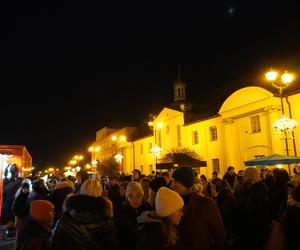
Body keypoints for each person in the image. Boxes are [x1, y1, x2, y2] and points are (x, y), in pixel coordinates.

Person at [50, 179, 116, 250]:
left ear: (81, 190)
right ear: (100, 191)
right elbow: (111, 243)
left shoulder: (67, 215)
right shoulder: (105, 218)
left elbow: (56, 241)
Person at [171, 167, 226, 250]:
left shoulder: (207, 204)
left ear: (185, 184)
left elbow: (219, 235)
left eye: (175, 181)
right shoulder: (172, 203)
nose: (172, 185)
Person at [231, 167, 271, 250]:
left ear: (250, 177)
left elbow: (255, 213)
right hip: (251, 231)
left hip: (254, 232)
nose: (243, 178)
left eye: (245, 176)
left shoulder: (258, 192)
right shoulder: (251, 190)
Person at [115, 181, 151, 249]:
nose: (135, 199)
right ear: (127, 197)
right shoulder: (122, 211)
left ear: (142, 196)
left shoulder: (148, 209)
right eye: (131, 196)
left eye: (138, 195)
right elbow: (119, 233)